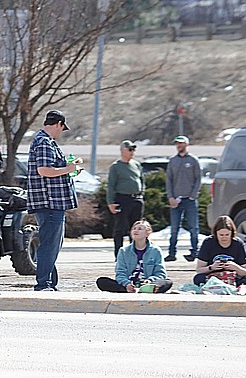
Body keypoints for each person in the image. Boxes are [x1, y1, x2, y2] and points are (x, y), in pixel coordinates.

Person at [25, 110, 84, 292]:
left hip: (50, 203)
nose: (61, 132)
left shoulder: (44, 141)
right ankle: (43, 284)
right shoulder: (44, 142)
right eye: (62, 128)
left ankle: (50, 282)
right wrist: (68, 169)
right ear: (58, 124)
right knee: (50, 245)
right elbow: (44, 170)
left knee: (52, 244)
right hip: (49, 203)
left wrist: (69, 168)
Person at [96, 220, 173, 293]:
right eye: (134, 229)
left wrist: (149, 281)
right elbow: (120, 273)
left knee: (167, 282)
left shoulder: (155, 250)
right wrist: (127, 284)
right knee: (102, 281)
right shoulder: (123, 251)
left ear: (147, 233)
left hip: (148, 283)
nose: (135, 231)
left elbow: (161, 273)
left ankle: (149, 289)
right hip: (129, 283)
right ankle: (127, 290)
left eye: (140, 229)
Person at [193, 215, 246, 294]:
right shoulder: (208, 242)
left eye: (227, 235)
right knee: (198, 278)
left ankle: (241, 290)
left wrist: (235, 267)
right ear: (216, 233)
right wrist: (212, 267)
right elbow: (199, 269)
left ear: (232, 233)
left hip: (233, 277)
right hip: (212, 277)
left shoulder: (238, 243)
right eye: (221, 235)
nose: (224, 238)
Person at [165, 135, 202, 262]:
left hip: (189, 200)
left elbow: (198, 179)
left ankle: (194, 252)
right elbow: (169, 180)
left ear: (186, 144)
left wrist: (193, 195)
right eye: (177, 144)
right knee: (174, 228)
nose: (178, 146)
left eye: (181, 143)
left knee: (193, 227)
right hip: (176, 200)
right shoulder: (172, 161)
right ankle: (171, 253)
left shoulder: (193, 160)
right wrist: (170, 197)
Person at [106, 140, 144, 256]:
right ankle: (119, 254)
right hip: (122, 199)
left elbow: (142, 180)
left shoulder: (136, 164)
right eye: (130, 149)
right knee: (120, 228)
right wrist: (110, 202)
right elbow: (111, 185)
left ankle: (136, 253)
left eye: (133, 149)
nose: (132, 152)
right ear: (123, 151)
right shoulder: (116, 166)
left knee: (137, 228)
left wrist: (142, 193)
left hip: (136, 199)